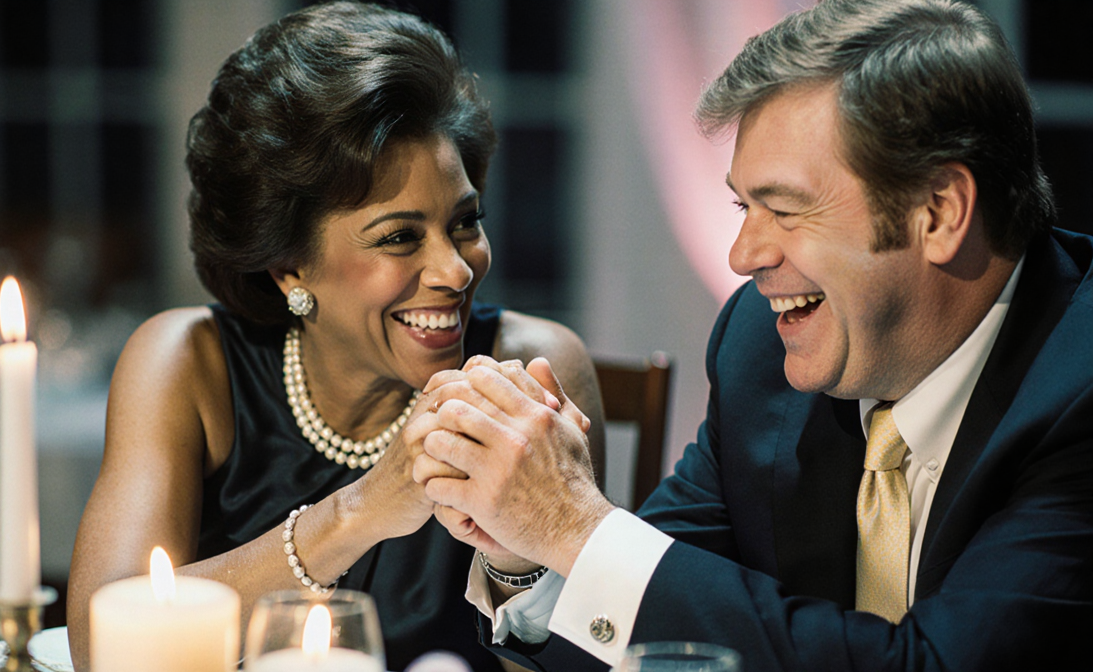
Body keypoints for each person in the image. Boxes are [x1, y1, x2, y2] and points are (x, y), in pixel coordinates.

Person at [414, 1, 1092, 670]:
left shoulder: (1079, 390)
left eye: (785, 209)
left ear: (939, 213)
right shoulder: (761, 352)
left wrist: (574, 528)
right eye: (745, 206)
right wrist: (526, 547)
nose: (743, 255)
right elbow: (662, 612)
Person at [66, 3, 605, 671]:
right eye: (400, 237)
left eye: (465, 222)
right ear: (289, 264)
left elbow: (585, 658)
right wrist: (359, 511)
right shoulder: (185, 362)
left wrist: (521, 565)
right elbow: (100, 644)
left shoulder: (530, 369)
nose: (457, 269)